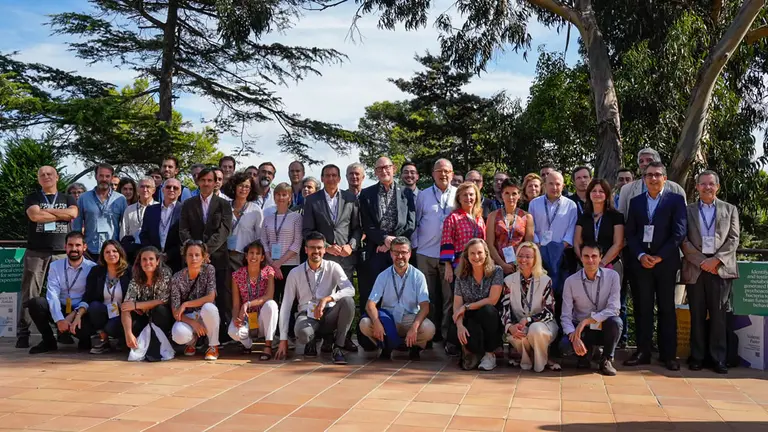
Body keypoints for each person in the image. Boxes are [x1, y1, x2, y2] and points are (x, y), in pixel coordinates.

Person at [624, 161, 686, 371]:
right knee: (643, 309)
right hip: (641, 263)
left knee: (667, 309)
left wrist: (659, 256)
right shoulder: (636, 202)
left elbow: (678, 233)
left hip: (665, 264)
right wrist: (641, 255)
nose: (653, 178)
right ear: (644, 179)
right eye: (649, 175)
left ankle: (668, 355)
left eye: (657, 175)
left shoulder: (676, 200)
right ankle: (643, 352)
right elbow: (630, 233)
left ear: (664, 178)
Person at [681, 170, 740, 374]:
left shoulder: (730, 209)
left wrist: (715, 260)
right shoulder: (687, 211)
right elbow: (683, 240)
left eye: (711, 184)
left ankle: (718, 358)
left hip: (720, 269)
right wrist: (701, 262)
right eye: (703, 184)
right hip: (695, 268)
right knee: (696, 314)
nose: (707, 187)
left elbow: (733, 239)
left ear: (718, 187)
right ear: (697, 187)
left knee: (719, 315)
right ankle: (696, 357)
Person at [358, 156, 416, 348]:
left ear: (394, 168)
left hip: (399, 252)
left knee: (403, 292)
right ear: (375, 172)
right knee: (374, 294)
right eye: (380, 168)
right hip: (376, 250)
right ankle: (371, 339)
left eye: (387, 167)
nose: (384, 171)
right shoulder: (366, 194)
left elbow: (410, 223)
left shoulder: (406, 194)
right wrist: (383, 239)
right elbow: (366, 224)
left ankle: (406, 339)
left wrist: (393, 243)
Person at [17, 166, 78, 349]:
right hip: (36, 251)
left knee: (63, 292)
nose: (46, 177)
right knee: (30, 293)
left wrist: (47, 214)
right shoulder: (33, 197)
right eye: (42, 175)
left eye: (50, 174)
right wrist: (61, 215)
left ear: (57, 177)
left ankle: (62, 331)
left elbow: (73, 214)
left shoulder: (67, 197)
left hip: (61, 251)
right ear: (38, 179)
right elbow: (34, 216)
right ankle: (23, 333)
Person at [275, 232, 356, 364]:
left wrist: (328, 299)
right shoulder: (295, 273)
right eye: (312, 247)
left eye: (319, 247)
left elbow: (350, 290)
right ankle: (311, 340)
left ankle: (338, 347)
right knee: (302, 332)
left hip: (329, 313)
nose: (316, 251)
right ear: (305, 250)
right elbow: (286, 305)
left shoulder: (333, 267)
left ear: (324, 249)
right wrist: (283, 340)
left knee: (348, 302)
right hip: (307, 315)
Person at [359, 237, 435, 360]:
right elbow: (370, 304)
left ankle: (413, 346)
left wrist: (414, 328)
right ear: (391, 254)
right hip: (389, 318)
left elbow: (425, 307)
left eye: (404, 252)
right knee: (365, 323)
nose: (400, 256)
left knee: (429, 328)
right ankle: (386, 346)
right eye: (396, 252)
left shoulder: (418, 276)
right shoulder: (383, 276)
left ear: (410, 254)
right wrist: (377, 322)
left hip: (409, 318)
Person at [179, 167, 233, 341]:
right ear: (198, 182)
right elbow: (183, 229)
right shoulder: (188, 204)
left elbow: (224, 230)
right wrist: (196, 252)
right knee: (196, 297)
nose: (206, 183)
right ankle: (198, 336)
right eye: (203, 180)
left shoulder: (224, 205)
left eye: (210, 180)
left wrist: (206, 251)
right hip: (193, 261)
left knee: (221, 297)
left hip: (217, 257)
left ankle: (222, 337)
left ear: (216, 182)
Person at [28, 231, 97, 354]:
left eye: (78, 245)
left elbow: (90, 296)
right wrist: (59, 319)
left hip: (81, 311)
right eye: (70, 245)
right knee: (36, 303)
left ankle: (84, 338)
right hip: (61, 307)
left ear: (84, 247)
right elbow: (52, 294)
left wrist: (74, 316)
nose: (74, 249)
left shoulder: (93, 268)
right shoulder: (55, 266)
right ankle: (48, 340)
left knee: (90, 318)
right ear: (65, 247)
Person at [560, 241, 622, 376]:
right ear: (581, 258)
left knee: (616, 322)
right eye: (586, 256)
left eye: (594, 256)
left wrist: (588, 320)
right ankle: (587, 354)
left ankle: (606, 359)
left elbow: (614, 308)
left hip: (602, 326)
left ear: (601, 258)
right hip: (582, 330)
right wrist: (573, 335)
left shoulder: (612, 277)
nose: (590, 260)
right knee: (565, 345)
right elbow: (565, 316)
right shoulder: (571, 281)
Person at [412, 159, 456, 345]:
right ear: (433, 174)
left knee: (449, 298)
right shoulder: (423, 195)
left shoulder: (458, 194)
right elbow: (416, 221)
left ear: (452, 174)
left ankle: (446, 336)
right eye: (439, 171)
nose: (443, 174)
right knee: (426, 297)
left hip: (449, 256)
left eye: (447, 171)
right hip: (425, 253)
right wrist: (414, 249)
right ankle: (428, 336)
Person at [502, 242, 559, 372]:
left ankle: (540, 364)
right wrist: (510, 326)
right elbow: (505, 309)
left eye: (528, 256)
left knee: (535, 329)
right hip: (520, 325)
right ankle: (528, 360)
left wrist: (528, 320)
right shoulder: (508, 281)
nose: (523, 260)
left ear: (535, 260)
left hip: (543, 324)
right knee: (518, 334)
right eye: (520, 256)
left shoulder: (545, 280)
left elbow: (549, 312)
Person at [450, 239, 503, 371]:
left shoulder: (497, 271)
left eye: (479, 252)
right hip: (469, 318)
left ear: (486, 254)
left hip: (490, 318)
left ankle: (490, 354)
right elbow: (457, 306)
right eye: (472, 253)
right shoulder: (460, 275)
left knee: (488, 311)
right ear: (467, 256)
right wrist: (460, 326)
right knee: (454, 328)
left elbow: (492, 300)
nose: (476, 256)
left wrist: (466, 307)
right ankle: (472, 352)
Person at [527, 170, 577, 300]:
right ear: (544, 185)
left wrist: (562, 246)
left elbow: (572, 228)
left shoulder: (571, 205)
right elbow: (532, 227)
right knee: (541, 289)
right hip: (539, 252)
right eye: (551, 184)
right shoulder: (534, 203)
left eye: (557, 184)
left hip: (563, 253)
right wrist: (537, 244)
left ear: (563, 186)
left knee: (561, 290)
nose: (554, 187)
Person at [228, 240, 279, 359]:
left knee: (271, 305)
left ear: (262, 257)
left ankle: (268, 346)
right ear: (246, 256)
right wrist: (236, 318)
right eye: (251, 253)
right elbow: (236, 304)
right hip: (247, 319)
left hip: (262, 318)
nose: (254, 256)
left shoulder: (268, 272)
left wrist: (248, 304)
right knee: (233, 332)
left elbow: (269, 296)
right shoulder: (237, 275)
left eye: (257, 253)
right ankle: (248, 345)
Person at [121, 247, 174, 359]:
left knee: (159, 309)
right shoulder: (136, 277)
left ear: (157, 261)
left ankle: (161, 341)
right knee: (127, 321)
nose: (147, 262)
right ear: (140, 262)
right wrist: (128, 333)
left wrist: (136, 305)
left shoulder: (165, 274)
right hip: (144, 316)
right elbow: (126, 307)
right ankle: (132, 340)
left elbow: (162, 300)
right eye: (144, 259)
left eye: (151, 259)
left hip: (162, 316)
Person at [171, 241, 220, 360]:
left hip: (206, 315)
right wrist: (193, 323)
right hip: (189, 317)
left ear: (203, 257)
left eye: (197, 255)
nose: (194, 258)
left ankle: (213, 346)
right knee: (178, 334)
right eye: (190, 255)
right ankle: (191, 342)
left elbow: (210, 297)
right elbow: (176, 312)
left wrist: (186, 304)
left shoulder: (209, 270)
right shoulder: (177, 278)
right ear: (185, 257)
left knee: (209, 307)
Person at [82, 240, 132, 353]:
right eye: (107, 252)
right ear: (103, 255)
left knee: (112, 327)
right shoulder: (96, 271)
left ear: (120, 253)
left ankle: (121, 338)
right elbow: (89, 295)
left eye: (114, 251)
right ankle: (103, 339)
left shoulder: (129, 271)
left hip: (123, 312)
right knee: (94, 306)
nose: (111, 254)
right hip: (104, 311)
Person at [72, 163, 128, 260]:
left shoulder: (120, 199)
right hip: (89, 251)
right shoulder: (84, 198)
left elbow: (125, 226)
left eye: (107, 176)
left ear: (111, 177)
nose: (104, 179)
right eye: (101, 175)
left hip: (113, 251)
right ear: (95, 176)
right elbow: (77, 226)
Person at [262, 182, 303, 307]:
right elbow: (264, 242)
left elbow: (297, 244)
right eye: (278, 194)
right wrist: (273, 264)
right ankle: (273, 327)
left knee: (288, 302)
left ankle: (288, 327)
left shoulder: (296, 217)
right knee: (271, 301)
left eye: (284, 194)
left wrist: (279, 263)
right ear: (274, 197)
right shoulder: (268, 218)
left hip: (290, 265)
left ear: (289, 197)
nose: (281, 197)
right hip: (271, 266)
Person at [617, 148, 687, 218]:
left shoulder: (676, 189)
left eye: (649, 160)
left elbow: (683, 218)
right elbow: (621, 218)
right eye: (641, 161)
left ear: (658, 163)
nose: (644, 163)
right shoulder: (626, 189)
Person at [574, 179, 624, 276]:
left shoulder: (616, 216)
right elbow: (577, 242)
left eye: (601, 191)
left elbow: (618, 243)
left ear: (606, 194)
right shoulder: (583, 217)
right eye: (594, 191)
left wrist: (602, 263)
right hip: (585, 266)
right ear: (589, 194)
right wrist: (585, 261)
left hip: (610, 265)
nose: (597, 194)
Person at [486, 178, 534, 276]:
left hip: (520, 266)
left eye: (514, 193)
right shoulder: (493, 216)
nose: (510, 197)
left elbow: (529, 245)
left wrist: (519, 264)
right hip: (497, 266)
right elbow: (490, 244)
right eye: (507, 193)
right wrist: (502, 264)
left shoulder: (526, 217)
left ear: (519, 195)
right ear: (502, 195)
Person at [441, 182, 486, 279]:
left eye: (471, 194)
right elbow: (447, 241)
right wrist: (448, 267)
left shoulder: (480, 219)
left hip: (478, 265)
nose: (468, 198)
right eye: (465, 195)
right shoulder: (453, 218)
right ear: (459, 198)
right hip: (460, 265)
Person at [140, 178, 184, 272]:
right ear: (162, 190)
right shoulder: (150, 210)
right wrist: (153, 254)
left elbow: (184, 238)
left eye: (175, 188)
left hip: (175, 261)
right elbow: (144, 234)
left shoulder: (185, 210)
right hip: (152, 261)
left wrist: (168, 255)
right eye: (168, 187)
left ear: (180, 192)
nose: (171, 189)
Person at [223, 172, 261, 271]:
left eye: (247, 186)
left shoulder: (255, 210)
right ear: (234, 186)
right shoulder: (225, 207)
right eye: (240, 185)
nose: (244, 189)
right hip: (226, 256)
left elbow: (259, 236)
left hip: (245, 258)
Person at [120, 177, 157, 243]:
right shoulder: (129, 210)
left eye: (148, 187)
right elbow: (124, 232)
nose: (145, 190)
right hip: (133, 248)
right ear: (137, 190)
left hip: (153, 249)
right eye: (142, 187)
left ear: (153, 190)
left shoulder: (159, 208)